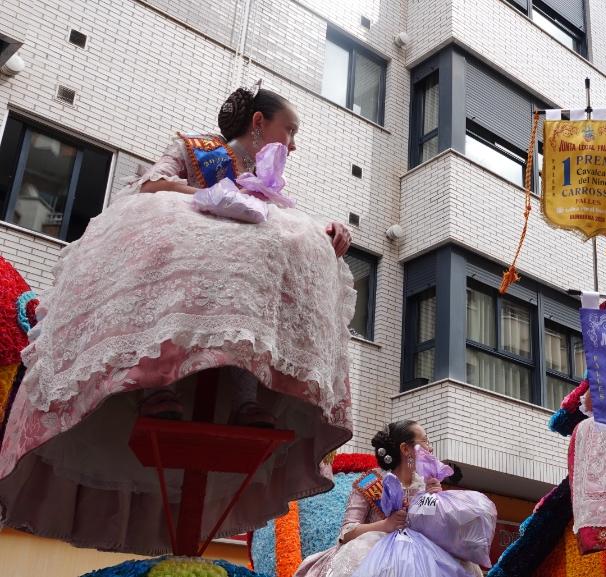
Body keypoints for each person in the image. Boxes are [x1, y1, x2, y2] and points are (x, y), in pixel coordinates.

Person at [0, 84, 358, 555]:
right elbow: (151, 185)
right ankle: (159, 388)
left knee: (250, 305)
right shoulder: (194, 151)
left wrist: (326, 229)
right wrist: (214, 197)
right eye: (288, 130)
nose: (293, 144)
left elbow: (281, 223)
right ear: (257, 123)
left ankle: (247, 395)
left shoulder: (268, 185)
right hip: (181, 285)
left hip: (233, 299)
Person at [294, 420, 483, 577]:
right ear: (405, 449)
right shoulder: (370, 480)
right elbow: (347, 532)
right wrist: (385, 525)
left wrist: (436, 500)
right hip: (372, 554)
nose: (430, 448)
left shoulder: (427, 485)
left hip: (422, 559)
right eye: (425, 441)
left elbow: (438, 533)